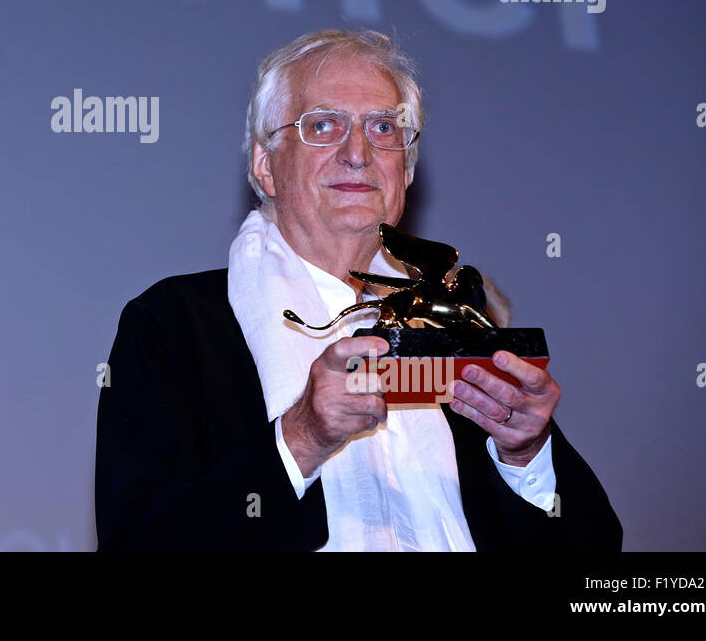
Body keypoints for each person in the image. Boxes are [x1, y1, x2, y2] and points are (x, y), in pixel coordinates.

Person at [94, 29, 621, 551]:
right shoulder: (177, 323)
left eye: (383, 128)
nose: (358, 152)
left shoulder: (452, 324)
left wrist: (526, 451)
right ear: (265, 165)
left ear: (406, 171)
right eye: (323, 125)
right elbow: (140, 542)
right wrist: (301, 437)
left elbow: (596, 551)